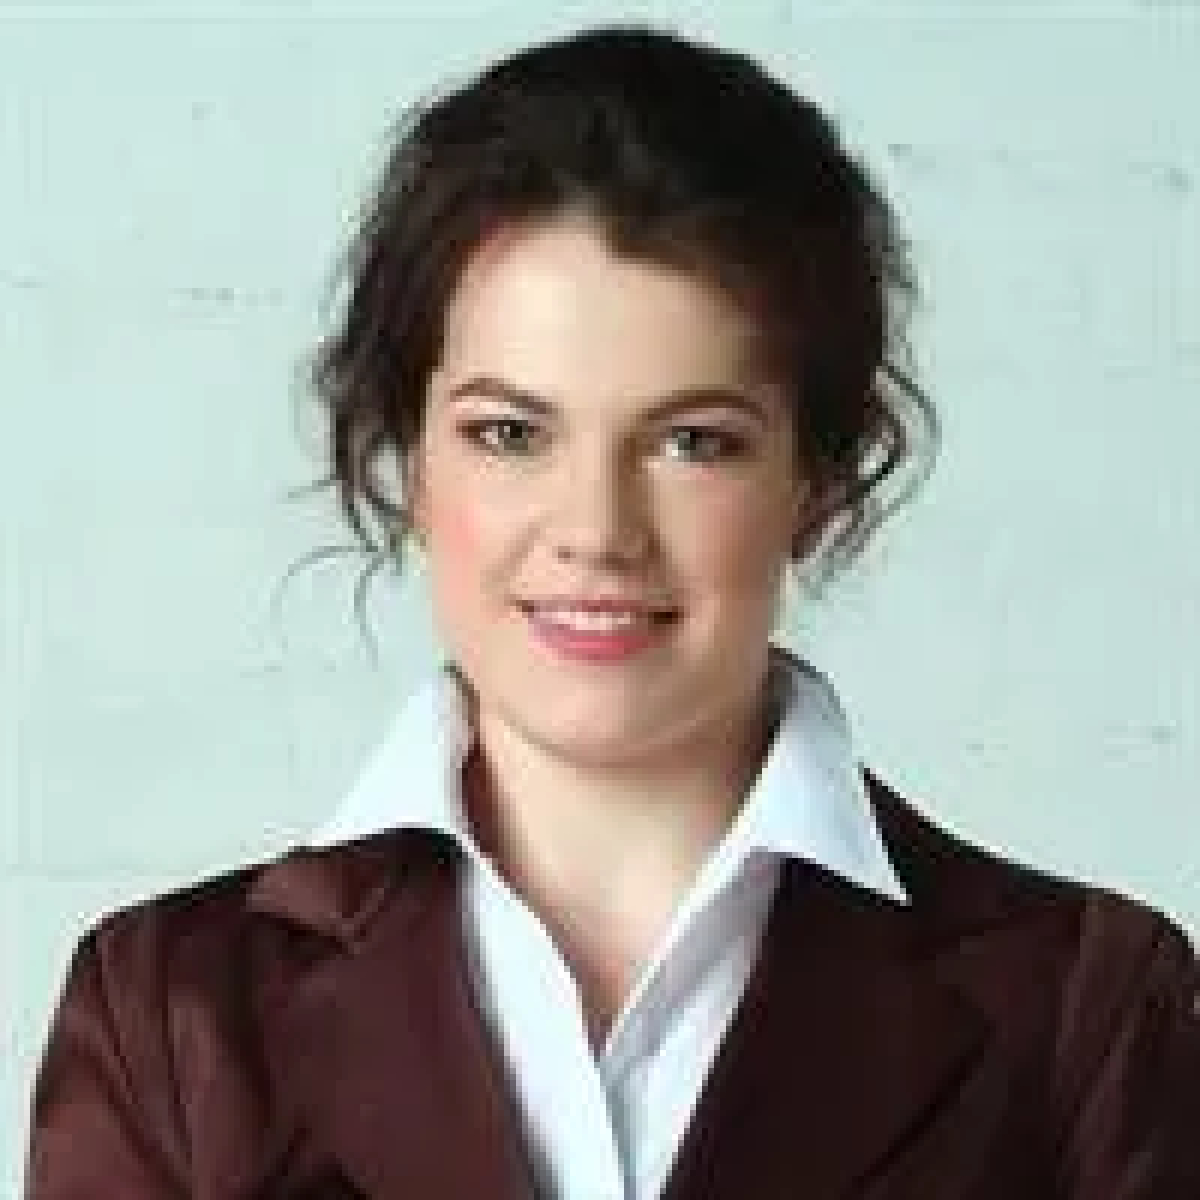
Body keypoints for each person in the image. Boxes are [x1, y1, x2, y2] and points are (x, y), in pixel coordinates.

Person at [25, 22, 1199, 1200]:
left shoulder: (1085, 1017)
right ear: (410, 462)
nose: (596, 529)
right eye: (509, 434)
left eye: (694, 442)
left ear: (818, 480)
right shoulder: (170, 1019)